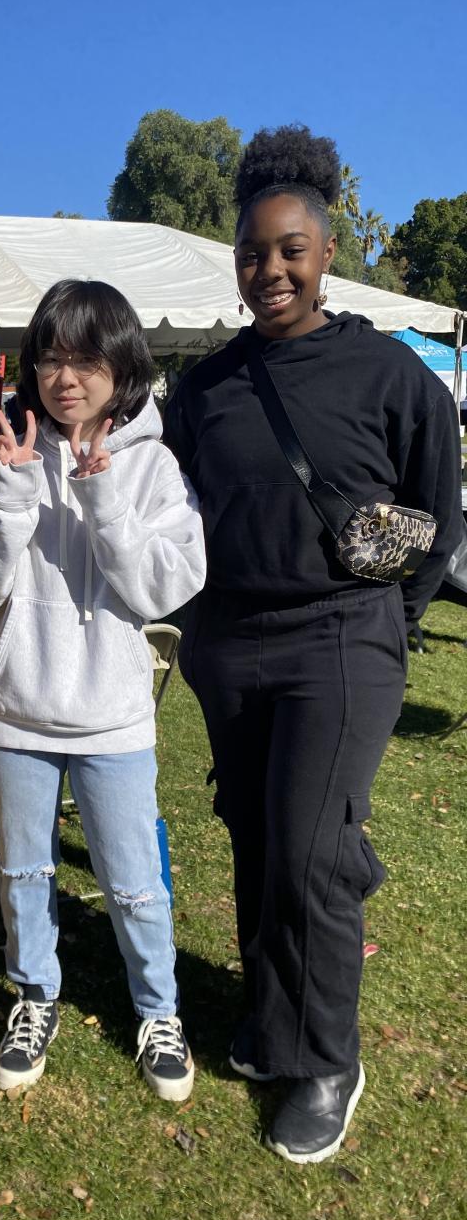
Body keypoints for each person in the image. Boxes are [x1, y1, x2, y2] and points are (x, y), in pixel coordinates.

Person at [163, 126, 462, 1164]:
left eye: (291, 250)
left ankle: (328, 1058)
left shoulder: (390, 373)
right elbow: (173, 512)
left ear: (327, 252)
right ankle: (270, 1015)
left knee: (313, 851)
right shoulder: (206, 387)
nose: (271, 270)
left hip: (343, 635)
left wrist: (393, 620)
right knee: (256, 839)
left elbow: (437, 516)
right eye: (253, 253)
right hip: (231, 642)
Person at [0, 280, 206, 1102]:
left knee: (134, 879)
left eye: (87, 360)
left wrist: (103, 500)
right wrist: (14, 496)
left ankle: (158, 1010)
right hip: (16, 709)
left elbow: (166, 588)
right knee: (22, 870)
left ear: (122, 367)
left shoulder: (153, 465)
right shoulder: (6, 456)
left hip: (112, 716)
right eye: (52, 359)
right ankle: (35, 995)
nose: (66, 378)